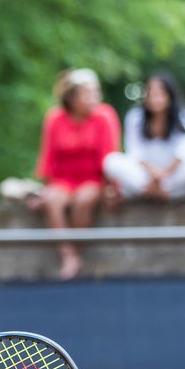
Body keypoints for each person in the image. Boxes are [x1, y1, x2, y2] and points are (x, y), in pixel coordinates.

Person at [30, 68, 121, 281]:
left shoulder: (104, 116)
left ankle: (77, 251)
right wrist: (46, 189)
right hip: (63, 179)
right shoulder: (55, 119)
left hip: (92, 178)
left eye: (95, 92)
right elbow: (48, 158)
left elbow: (110, 156)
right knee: (53, 201)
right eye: (87, 93)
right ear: (71, 97)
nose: (93, 98)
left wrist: (112, 189)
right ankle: (68, 255)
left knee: (84, 200)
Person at [103, 72, 185, 202]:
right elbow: (134, 152)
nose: (155, 97)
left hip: (173, 175)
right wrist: (154, 174)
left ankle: (167, 193)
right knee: (111, 161)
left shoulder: (183, 115)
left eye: (160, 92)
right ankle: (152, 191)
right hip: (145, 175)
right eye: (151, 92)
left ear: (170, 94)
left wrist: (164, 174)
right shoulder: (135, 116)